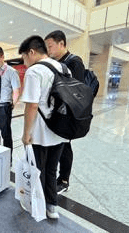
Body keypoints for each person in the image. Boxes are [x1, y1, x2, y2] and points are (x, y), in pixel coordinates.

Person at [19, 35, 67, 220]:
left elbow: (32, 105)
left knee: (37, 169)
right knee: (52, 169)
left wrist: (26, 134)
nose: (24, 62)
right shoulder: (63, 68)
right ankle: (52, 207)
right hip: (60, 129)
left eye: (24, 57)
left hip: (40, 132)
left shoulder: (34, 71)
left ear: (31, 52)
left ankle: (37, 206)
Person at [44, 30, 86, 193]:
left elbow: (76, 91)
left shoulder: (74, 62)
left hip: (68, 113)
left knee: (64, 146)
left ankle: (64, 180)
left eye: (50, 46)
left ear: (61, 43)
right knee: (57, 145)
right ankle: (53, 176)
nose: (48, 50)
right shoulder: (55, 62)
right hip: (56, 111)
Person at [0, 46, 20, 156]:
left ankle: (8, 160)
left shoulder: (11, 72)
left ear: (2, 57)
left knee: (6, 135)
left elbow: (16, 90)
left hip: (4, 107)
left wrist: (12, 104)